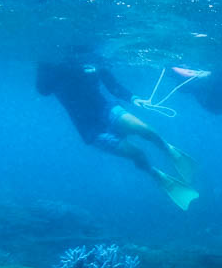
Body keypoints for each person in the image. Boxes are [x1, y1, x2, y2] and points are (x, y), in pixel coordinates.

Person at [36, 52, 199, 210]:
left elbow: (112, 85)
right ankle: (158, 176)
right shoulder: (51, 67)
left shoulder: (91, 57)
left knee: (147, 131)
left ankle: (169, 150)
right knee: (137, 153)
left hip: (105, 109)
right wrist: (61, 67)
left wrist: (134, 98)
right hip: (89, 128)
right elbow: (42, 90)